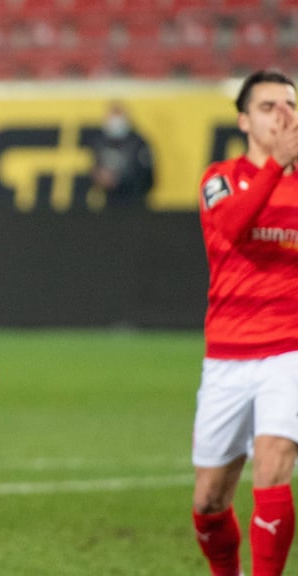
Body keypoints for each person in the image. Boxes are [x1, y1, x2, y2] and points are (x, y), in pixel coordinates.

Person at [191, 69, 298, 576]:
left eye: (291, 105)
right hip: (227, 357)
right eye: (269, 106)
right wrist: (278, 164)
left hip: (289, 349)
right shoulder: (218, 179)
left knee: (274, 464)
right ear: (243, 120)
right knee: (210, 503)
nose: (284, 115)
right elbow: (233, 228)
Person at [89, 101, 155, 210]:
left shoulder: (138, 143)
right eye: (111, 116)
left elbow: (148, 177)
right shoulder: (100, 142)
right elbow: (93, 169)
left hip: (135, 203)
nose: (114, 121)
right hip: (110, 203)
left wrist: (120, 181)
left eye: (117, 116)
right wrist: (99, 178)